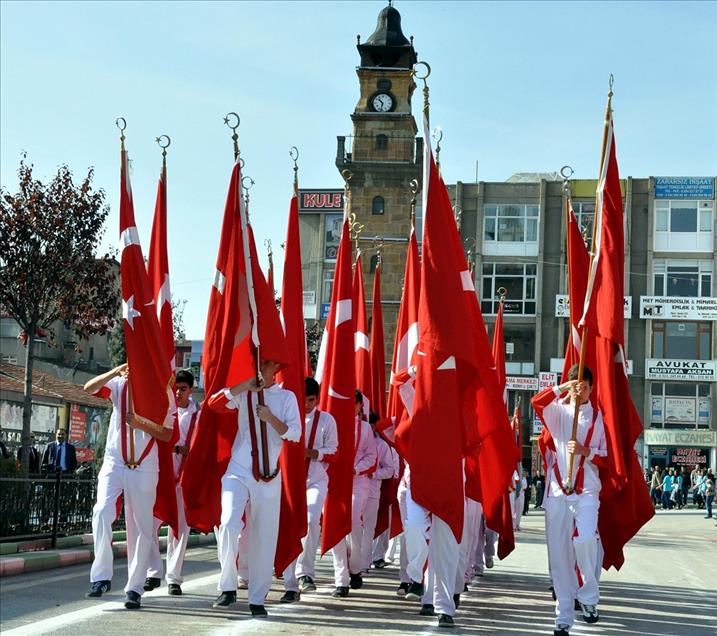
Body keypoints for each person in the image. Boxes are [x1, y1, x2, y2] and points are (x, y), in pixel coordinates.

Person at [209, 358, 301, 617]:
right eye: (261, 362)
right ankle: (227, 587)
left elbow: (294, 433)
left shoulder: (287, 398)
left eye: (268, 364)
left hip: (269, 474)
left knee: (264, 536)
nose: (262, 367)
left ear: (277, 369)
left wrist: (270, 417)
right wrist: (242, 386)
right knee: (228, 523)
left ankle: (257, 598)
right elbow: (214, 404)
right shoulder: (245, 393)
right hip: (238, 468)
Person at [83, 363, 174, 610]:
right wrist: (114, 372)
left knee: (141, 527)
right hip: (114, 462)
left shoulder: (162, 391)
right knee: (101, 511)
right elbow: (89, 388)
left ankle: (134, 588)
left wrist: (140, 423)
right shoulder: (119, 384)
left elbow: (167, 434)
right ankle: (100, 577)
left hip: (143, 466)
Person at [532, 365, 607, 636]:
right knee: (559, 556)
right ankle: (563, 615)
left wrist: (587, 451)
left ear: (591, 388)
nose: (580, 391)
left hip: (586, 491)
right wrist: (563, 388)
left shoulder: (598, 419)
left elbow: (607, 458)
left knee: (585, 538)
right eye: (576, 386)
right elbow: (537, 401)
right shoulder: (559, 412)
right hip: (557, 492)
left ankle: (588, 597)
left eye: (584, 386)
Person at [281, 377, 338, 603]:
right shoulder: (287, 417)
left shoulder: (327, 420)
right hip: (288, 481)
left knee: (311, 519)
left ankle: (305, 573)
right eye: (303, 400)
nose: (306, 405)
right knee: (288, 524)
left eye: (311, 400)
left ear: (318, 398)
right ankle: (286, 571)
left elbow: (334, 452)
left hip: (315, 480)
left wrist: (310, 453)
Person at [145, 369, 199, 595]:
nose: (178, 393)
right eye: (175, 388)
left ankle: (174, 578)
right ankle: (153, 572)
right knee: (150, 523)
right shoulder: (164, 409)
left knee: (179, 530)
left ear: (191, 390)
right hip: (161, 475)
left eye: (183, 389)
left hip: (185, 478)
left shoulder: (199, 413)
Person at [331, 389, 377, 598]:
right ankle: (341, 579)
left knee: (352, 523)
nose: (351, 407)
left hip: (358, 482)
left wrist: (355, 469)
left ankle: (356, 567)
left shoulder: (366, 428)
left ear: (360, 406)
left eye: (354, 403)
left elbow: (372, 457)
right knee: (336, 526)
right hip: (334, 482)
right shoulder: (333, 424)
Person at [360, 412, 399, 574]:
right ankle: (353, 560)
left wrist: (373, 474)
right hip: (355, 490)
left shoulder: (382, 446)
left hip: (373, 492)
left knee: (368, 528)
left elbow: (389, 470)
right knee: (353, 527)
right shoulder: (354, 439)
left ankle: (364, 563)